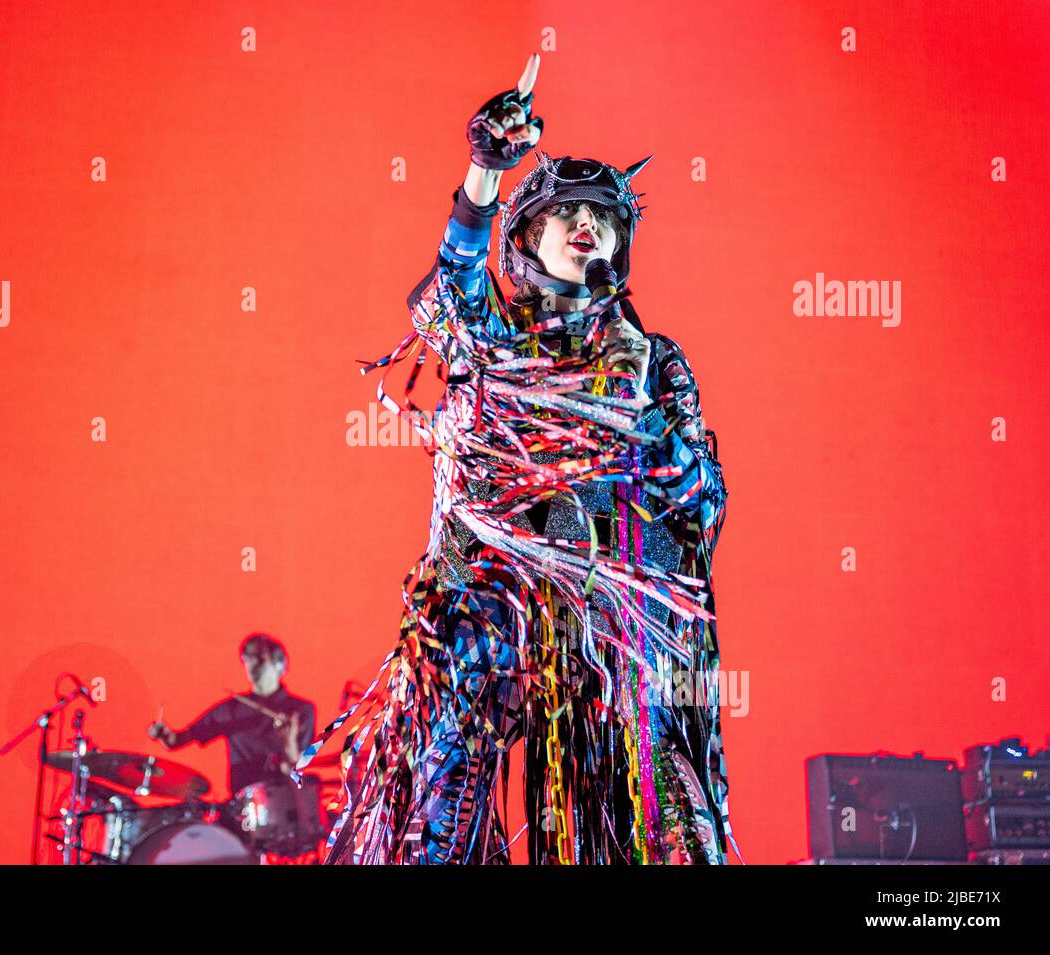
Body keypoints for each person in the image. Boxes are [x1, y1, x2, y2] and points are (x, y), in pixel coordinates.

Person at [295, 54, 739, 865]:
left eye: (602, 220)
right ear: (529, 236)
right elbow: (453, 299)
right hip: (500, 603)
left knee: (674, 822)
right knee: (445, 760)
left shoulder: (653, 357)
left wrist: (665, 445)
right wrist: (482, 176)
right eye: (566, 214)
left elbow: (705, 506)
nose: (587, 228)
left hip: (618, 623)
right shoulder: (499, 342)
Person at [148, 633, 315, 795]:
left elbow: (297, 768)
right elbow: (177, 741)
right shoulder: (231, 709)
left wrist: (289, 741)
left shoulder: (300, 710)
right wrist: (164, 735)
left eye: (260, 658)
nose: (252, 664)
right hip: (242, 808)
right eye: (247, 659)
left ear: (280, 665)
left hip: (289, 801)